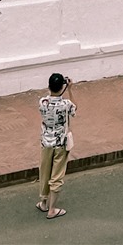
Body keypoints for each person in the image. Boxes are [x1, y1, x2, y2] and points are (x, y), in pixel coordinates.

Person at [37, 71, 76, 219]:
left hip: (46, 141)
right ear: (62, 87)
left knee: (45, 171)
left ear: (49, 86)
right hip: (60, 143)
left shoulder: (42, 102)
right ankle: (52, 209)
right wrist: (70, 89)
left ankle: (43, 202)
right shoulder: (65, 104)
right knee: (57, 175)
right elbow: (74, 109)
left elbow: (49, 97)